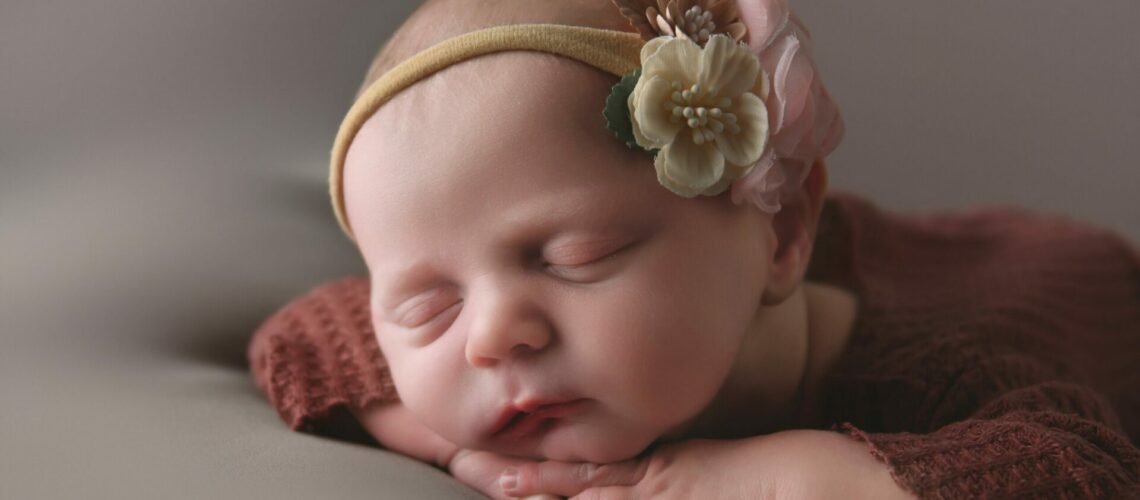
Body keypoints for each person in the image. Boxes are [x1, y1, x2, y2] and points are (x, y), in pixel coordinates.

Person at [246, 0, 1140, 498]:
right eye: (425, 304)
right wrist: (462, 450)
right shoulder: (508, 348)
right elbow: (298, 340)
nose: (489, 337)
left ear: (782, 231)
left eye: (576, 257)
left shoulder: (941, 377)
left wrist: (779, 478)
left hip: (1066, 285)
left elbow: (1085, 473)